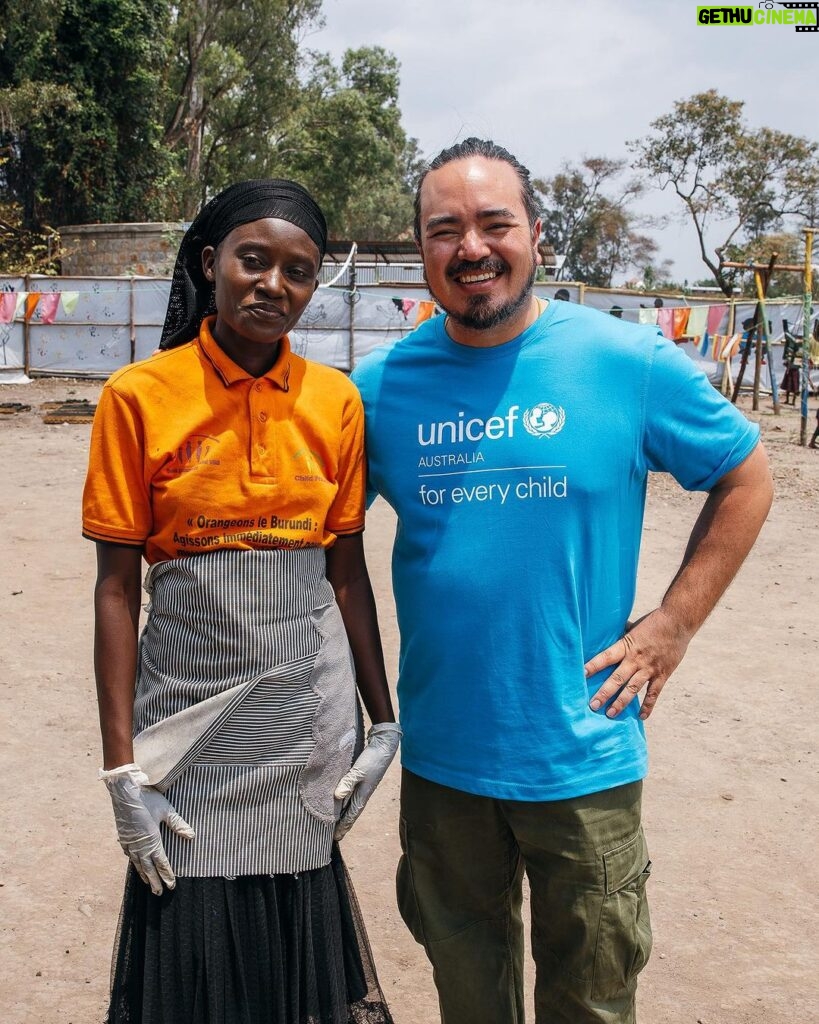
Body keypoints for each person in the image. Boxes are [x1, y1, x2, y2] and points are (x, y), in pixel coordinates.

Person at [351, 138, 773, 1024]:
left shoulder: (627, 363)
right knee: (468, 993)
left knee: (592, 998)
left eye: (493, 223)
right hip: (443, 759)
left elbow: (746, 474)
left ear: (536, 235)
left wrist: (673, 624)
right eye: (444, 229)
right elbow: (312, 530)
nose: (471, 247)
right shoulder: (379, 393)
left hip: (581, 754)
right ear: (419, 250)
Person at [82, 179, 400, 1024]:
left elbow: (346, 574)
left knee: (294, 942)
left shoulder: (335, 402)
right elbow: (117, 593)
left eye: (298, 271)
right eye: (253, 260)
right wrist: (122, 769)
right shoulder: (139, 397)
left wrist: (383, 721)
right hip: (188, 721)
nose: (273, 285)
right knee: (190, 944)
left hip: (303, 719)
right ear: (209, 263)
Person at [780, 317, 801, 405]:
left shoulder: (799, 345)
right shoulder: (792, 344)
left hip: (794, 368)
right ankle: (789, 400)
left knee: (794, 386)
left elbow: (787, 334)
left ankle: (793, 401)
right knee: (789, 385)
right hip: (791, 367)